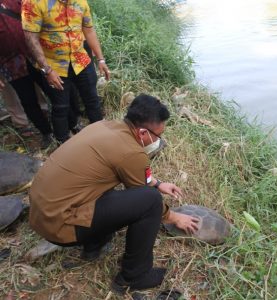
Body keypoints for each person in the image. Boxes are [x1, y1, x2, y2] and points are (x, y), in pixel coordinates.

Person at [29, 94, 200, 293]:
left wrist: (157, 183)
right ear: (143, 133)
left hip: (42, 212)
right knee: (151, 201)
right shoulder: (132, 152)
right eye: (158, 136)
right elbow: (142, 193)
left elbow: (127, 171)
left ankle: (95, 244)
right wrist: (174, 217)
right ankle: (134, 276)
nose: (159, 141)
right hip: (58, 225)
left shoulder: (102, 126)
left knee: (111, 187)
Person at [22, 0, 109, 144]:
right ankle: (63, 144)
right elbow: (31, 38)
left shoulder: (81, 2)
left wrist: (101, 59)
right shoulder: (33, 2)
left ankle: (100, 138)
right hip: (54, 65)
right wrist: (47, 70)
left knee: (92, 100)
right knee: (61, 106)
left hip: (81, 61)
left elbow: (88, 30)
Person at [1, 0, 52, 147]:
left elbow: (37, 14)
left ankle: (71, 122)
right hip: (11, 64)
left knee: (53, 89)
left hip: (35, 55)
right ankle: (46, 132)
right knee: (28, 100)